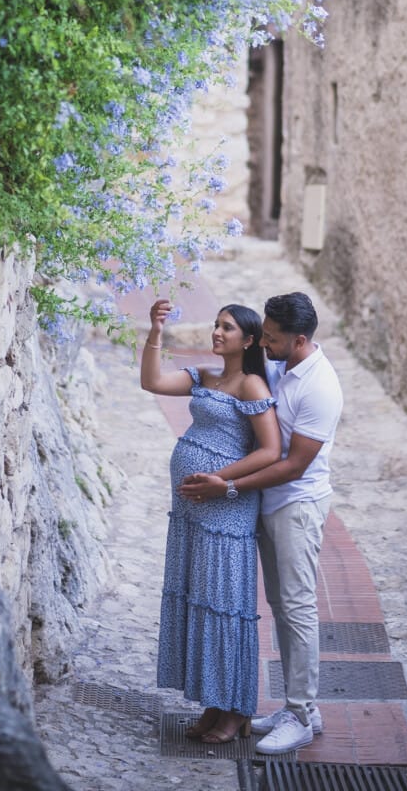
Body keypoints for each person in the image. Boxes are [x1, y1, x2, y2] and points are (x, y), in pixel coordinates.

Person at [179, 291, 343, 755]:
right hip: (265, 502)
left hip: (296, 505)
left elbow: (293, 465)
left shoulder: (321, 387)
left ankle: (301, 714)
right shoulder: (279, 363)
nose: (264, 346)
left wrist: (227, 487)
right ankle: (301, 708)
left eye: (272, 339)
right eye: (264, 335)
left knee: (296, 607)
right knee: (279, 604)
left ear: (300, 339)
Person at [141, 297, 281, 744]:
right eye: (216, 326)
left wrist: (217, 478)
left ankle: (236, 710)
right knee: (199, 601)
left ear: (250, 339)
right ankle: (211, 704)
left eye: (227, 328)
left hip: (226, 509)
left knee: (225, 605)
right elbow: (152, 382)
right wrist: (155, 332)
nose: (217, 333)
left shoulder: (252, 386)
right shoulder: (205, 375)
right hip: (190, 511)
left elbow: (269, 451)